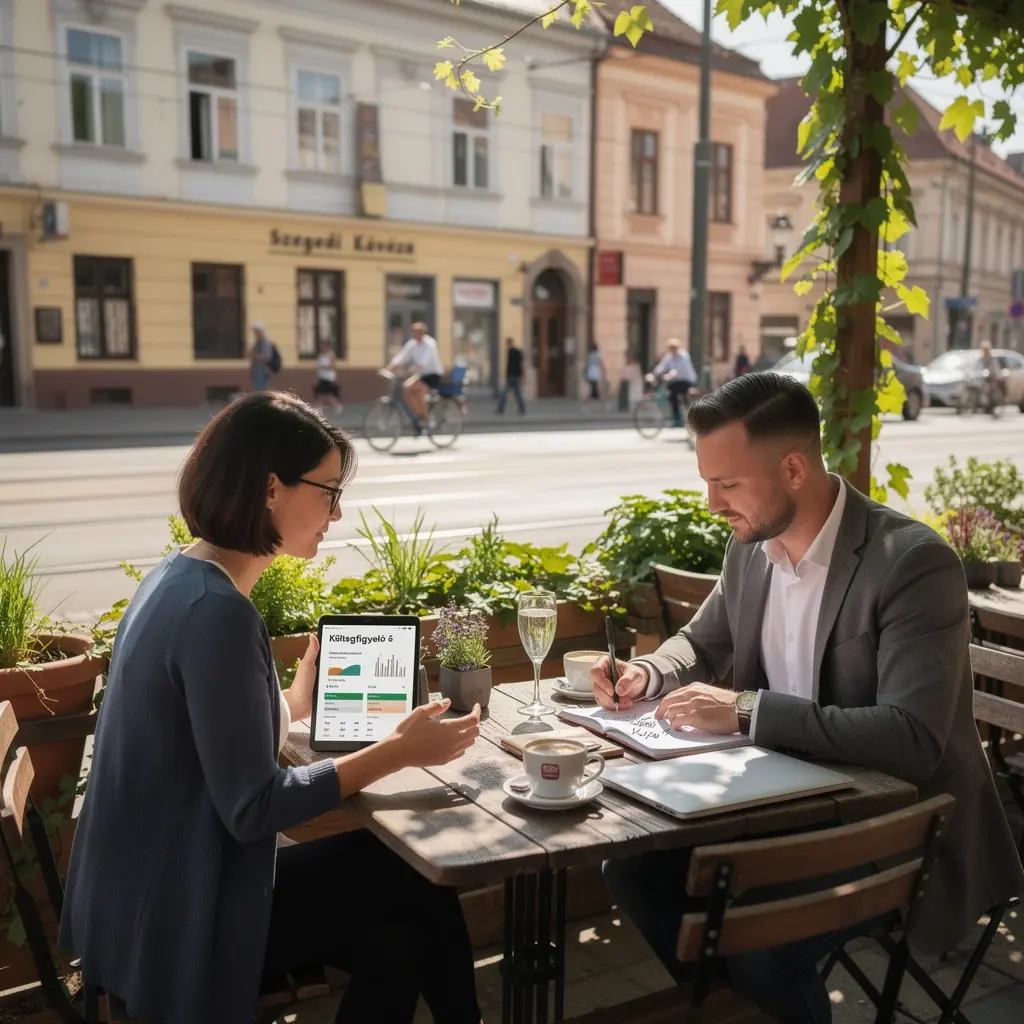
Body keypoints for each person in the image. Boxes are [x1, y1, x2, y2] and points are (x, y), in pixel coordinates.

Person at [590, 372, 1024, 1024]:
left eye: (727, 483)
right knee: (630, 870)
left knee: (760, 948)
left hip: (898, 824)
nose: (711, 503)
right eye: (707, 481)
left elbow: (911, 739)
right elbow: (702, 642)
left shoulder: (912, 563)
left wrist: (745, 710)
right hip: (782, 803)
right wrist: (646, 674)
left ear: (793, 469)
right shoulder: (751, 547)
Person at [59, 392, 484, 1024]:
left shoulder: (176, 577)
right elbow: (253, 807)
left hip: (132, 904)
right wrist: (399, 751)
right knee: (413, 874)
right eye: (329, 492)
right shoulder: (218, 613)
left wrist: (293, 700)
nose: (337, 513)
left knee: (402, 940)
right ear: (269, 488)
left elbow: (200, 742)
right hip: (182, 918)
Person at [386, 321, 444, 426]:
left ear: (423, 332)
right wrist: (389, 368)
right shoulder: (412, 344)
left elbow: (425, 360)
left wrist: (415, 368)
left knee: (419, 391)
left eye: (417, 332)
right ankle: (419, 414)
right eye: (413, 332)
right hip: (421, 375)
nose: (415, 334)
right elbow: (401, 357)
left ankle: (427, 418)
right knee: (406, 388)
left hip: (433, 374)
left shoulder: (430, 343)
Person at [652, 339, 696, 426]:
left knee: (673, 394)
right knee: (670, 394)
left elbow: (678, 370)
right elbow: (662, 366)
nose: (673, 350)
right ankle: (676, 412)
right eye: (671, 348)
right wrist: (654, 374)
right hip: (675, 381)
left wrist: (669, 375)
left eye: (674, 348)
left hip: (686, 380)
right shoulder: (669, 357)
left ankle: (677, 419)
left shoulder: (684, 356)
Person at [497, 337, 526, 415]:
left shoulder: (514, 352)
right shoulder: (514, 352)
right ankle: (521, 409)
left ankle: (501, 409)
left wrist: (521, 376)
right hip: (514, 376)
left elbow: (519, 365)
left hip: (512, 376)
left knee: (504, 393)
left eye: (507, 344)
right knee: (517, 394)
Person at [312, 339, 342, 412]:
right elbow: (318, 367)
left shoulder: (330, 354)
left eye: (323, 346)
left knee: (327, 394)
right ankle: (320, 408)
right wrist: (317, 378)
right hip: (321, 377)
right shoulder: (320, 355)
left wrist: (324, 367)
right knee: (320, 394)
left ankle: (337, 405)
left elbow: (333, 366)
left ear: (327, 347)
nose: (322, 348)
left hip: (328, 378)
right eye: (321, 346)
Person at [249, 323, 279, 392]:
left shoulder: (265, 343)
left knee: (260, 392)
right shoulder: (257, 342)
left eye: (256, 331)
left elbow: (267, 356)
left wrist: (255, 355)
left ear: (261, 332)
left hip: (262, 372)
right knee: (258, 391)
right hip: (257, 371)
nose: (255, 334)